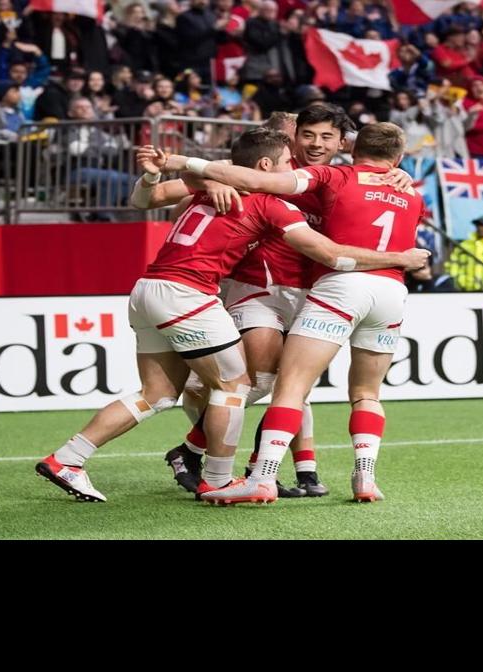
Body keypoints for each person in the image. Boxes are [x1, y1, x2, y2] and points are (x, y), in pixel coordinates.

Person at [35, 128, 426, 503]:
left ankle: (68, 458)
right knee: (236, 387)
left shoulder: (205, 181)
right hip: (189, 294)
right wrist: (400, 259)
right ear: (268, 168)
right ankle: (219, 481)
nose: (297, 163)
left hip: (148, 289)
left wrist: (160, 174)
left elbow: (142, 201)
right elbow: (330, 255)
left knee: (156, 394)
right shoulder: (271, 202)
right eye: (290, 158)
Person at [150, 122, 428, 504]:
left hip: (339, 287)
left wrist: (186, 161)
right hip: (391, 292)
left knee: (290, 387)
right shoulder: (410, 193)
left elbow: (260, 181)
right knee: (366, 393)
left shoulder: (333, 176)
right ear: (397, 157)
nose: (315, 143)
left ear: (347, 146)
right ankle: (364, 476)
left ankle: (260, 478)